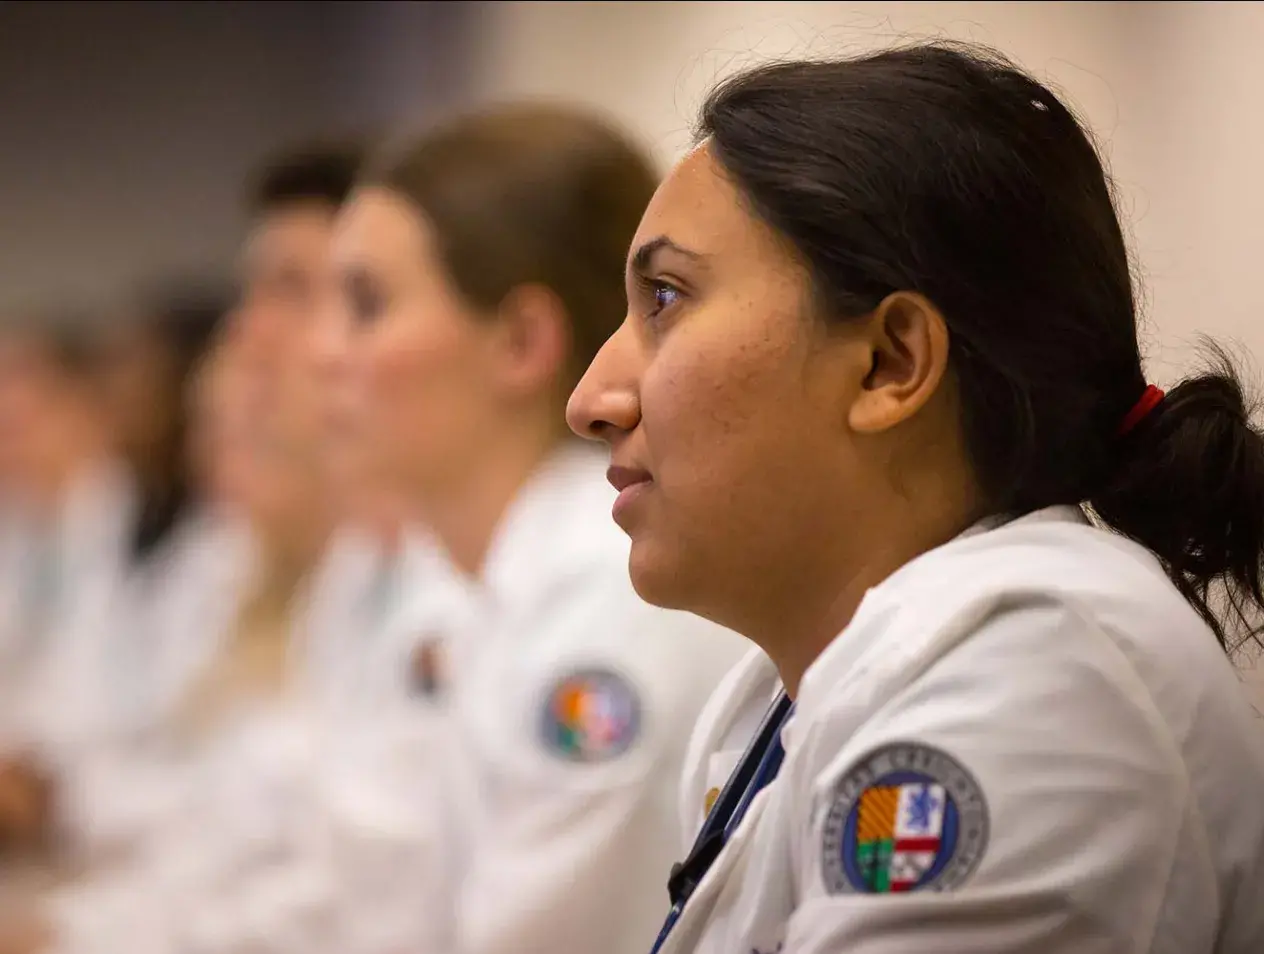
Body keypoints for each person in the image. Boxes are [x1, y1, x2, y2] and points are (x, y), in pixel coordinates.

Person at [566, 43, 1264, 954]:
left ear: (890, 363)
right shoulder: (778, 700)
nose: (591, 402)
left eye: (665, 297)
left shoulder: (1033, 675)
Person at [324, 101, 749, 954]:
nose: (323, 355)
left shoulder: (612, 598)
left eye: (368, 305)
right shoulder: (464, 586)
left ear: (520, 341)